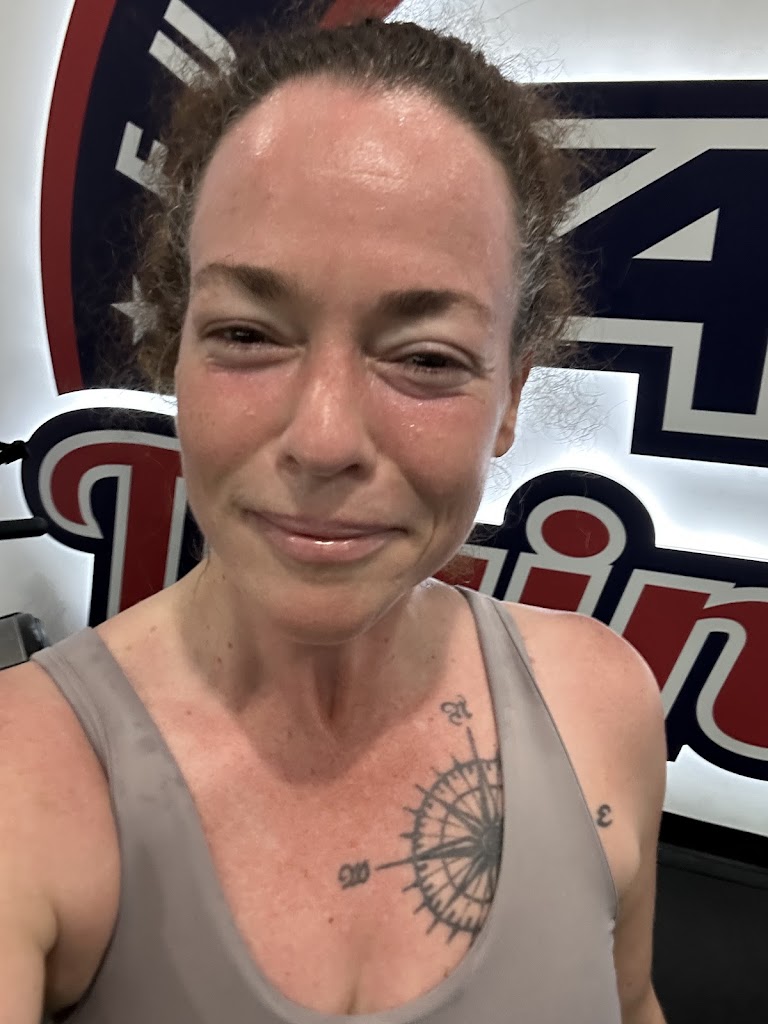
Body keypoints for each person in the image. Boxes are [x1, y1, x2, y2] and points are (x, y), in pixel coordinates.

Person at [0, 17, 667, 1024]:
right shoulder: (29, 777)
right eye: (246, 334)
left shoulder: (600, 702)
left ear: (512, 398)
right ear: (173, 355)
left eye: (426, 357)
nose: (323, 439)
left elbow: (632, 1001)